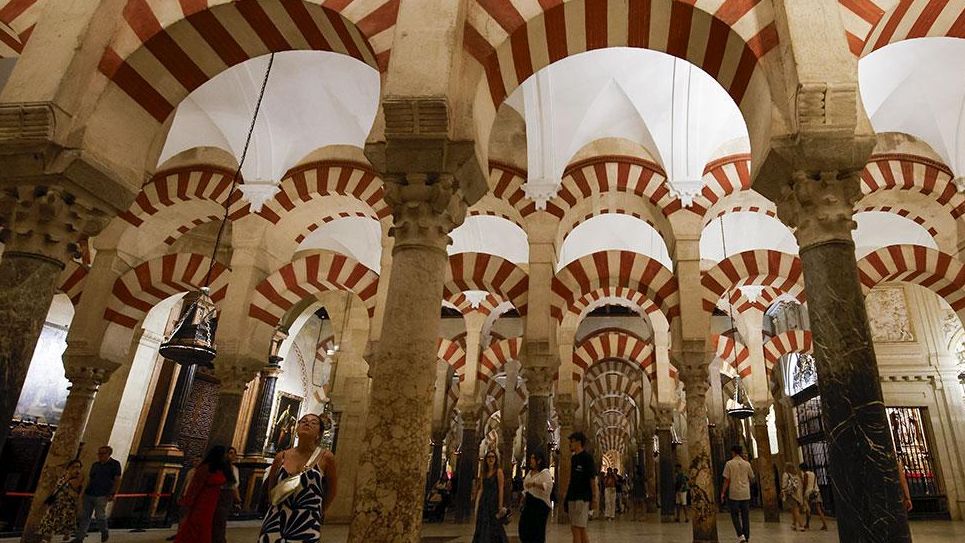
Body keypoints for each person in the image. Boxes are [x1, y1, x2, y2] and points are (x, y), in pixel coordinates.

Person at [259, 414, 338, 543]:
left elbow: (332, 491)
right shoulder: (281, 457)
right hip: (276, 520)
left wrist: (316, 511)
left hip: (307, 522)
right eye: (304, 421)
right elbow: (271, 488)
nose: (308, 424)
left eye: (314, 423)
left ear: (320, 433)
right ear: (296, 428)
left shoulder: (326, 458)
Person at [173, 446, 233, 543]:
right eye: (225, 454)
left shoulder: (221, 469)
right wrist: (187, 502)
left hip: (212, 503)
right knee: (196, 525)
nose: (227, 456)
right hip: (201, 502)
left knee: (206, 526)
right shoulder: (204, 468)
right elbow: (195, 487)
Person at [75, 446, 122, 543]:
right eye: (99, 453)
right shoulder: (95, 465)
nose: (99, 456)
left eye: (102, 453)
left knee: (100, 515)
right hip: (90, 493)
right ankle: (80, 538)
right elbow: (90, 479)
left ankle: (104, 531)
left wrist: (113, 493)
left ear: (109, 454)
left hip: (103, 494)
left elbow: (117, 479)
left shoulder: (115, 464)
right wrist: (83, 492)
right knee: (85, 516)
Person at [564, 432, 599, 543]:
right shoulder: (574, 458)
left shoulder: (587, 458)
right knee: (578, 528)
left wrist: (594, 498)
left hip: (582, 497)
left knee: (577, 528)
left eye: (572, 441)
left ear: (579, 442)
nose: (570, 444)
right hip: (573, 496)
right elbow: (572, 478)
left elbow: (592, 479)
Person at [39, 459, 83, 542]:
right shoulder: (62, 477)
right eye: (74, 467)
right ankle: (46, 539)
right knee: (49, 523)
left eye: (79, 467)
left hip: (67, 506)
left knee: (65, 524)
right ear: (69, 468)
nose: (77, 469)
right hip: (56, 504)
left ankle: (66, 534)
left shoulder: (77, 480)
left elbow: (75, 493)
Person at [472, 450, 508, 543]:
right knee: (483, 524)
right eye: (489, 457)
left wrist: (500, 506)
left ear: (496, 459)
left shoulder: (498, 472)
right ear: (486, 460)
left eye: (493, 457)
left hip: (494, 502)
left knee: (494, 525)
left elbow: (501, 489)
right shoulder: (483, 473)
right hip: (484, 502)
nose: (491, 459)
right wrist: (477, 503)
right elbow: (481, 489)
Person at [720, 445, 754, 543]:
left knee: (734, 515)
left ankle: (740, 535)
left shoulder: (729, 463)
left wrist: (723, 492)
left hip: (734, 493)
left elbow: (726, 480)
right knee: (745, 516)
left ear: (733, 452)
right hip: (745, 493)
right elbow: (752, 477)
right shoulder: (747, 464)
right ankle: (746, 536)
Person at [518, 451, 553, 543]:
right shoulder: (530, 472)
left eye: (533, 458)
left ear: (539, 460)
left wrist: (534, 484)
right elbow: (526, 487)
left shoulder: (545, 473)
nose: (531, 460)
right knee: (524, 529)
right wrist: (522, 499)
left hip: (540, 505)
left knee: (537, 532)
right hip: (529, 503)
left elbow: (547, 487)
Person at [211, 447, 241, 543]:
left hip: (227, 497)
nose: (231, 455)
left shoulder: (235, 469)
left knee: (221, 520)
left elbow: (234, 485)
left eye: (233, 453)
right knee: (218, 520)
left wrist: (237, 498)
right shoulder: (221, 468)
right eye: (229, 453)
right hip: (220, 495)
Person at [800, 463, 827, 530]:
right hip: (816, 492)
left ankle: (807, 524)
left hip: (808, 493)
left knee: (808, 509)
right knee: (819, 509)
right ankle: (824, 524)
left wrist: (802, 493)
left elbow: (805, 485)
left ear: (802, 468)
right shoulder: (813, 473)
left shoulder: (805, 474)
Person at [781, 462, 804, 531]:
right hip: (797, 495)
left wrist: (783, 491)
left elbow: (784, 485)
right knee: (793, 509)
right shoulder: (796, 475)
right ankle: (794, 524)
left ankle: (801, 525)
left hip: (791, 494)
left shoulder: (786, 475)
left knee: (795, 510)